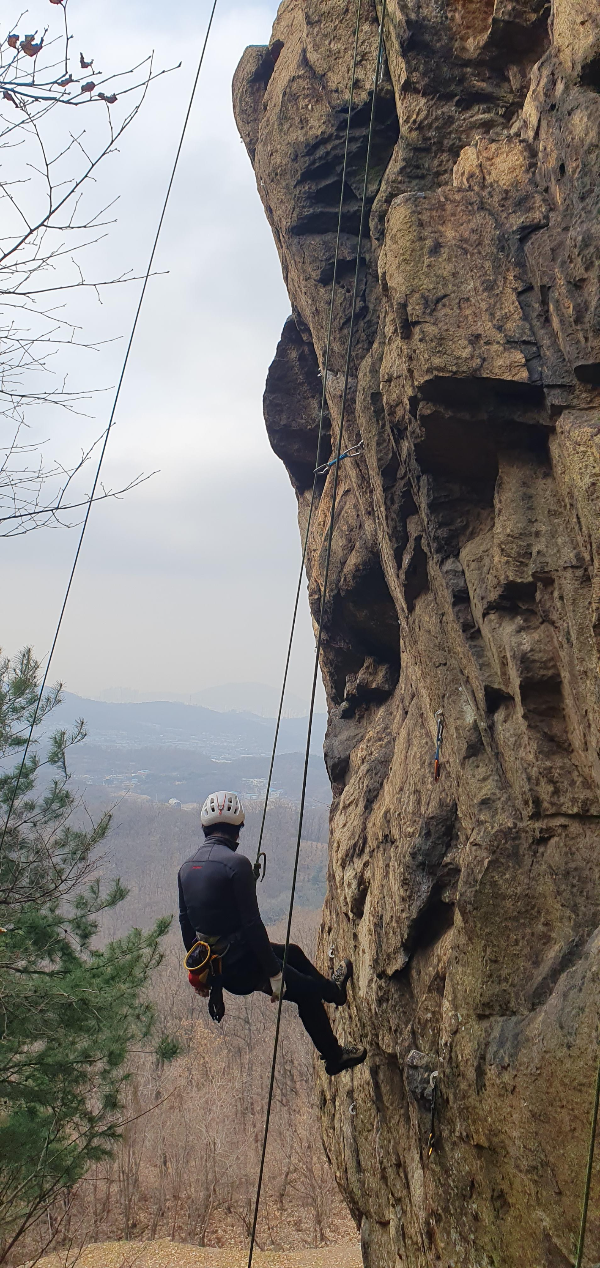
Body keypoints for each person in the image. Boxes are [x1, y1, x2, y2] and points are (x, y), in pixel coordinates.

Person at [178, 790, 367, 1077]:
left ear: (205, 828)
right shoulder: (236, 865)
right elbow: (253, 925)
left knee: (293, 953)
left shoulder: (186, 869)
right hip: (245, 965)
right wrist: (274, 974)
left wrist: (204, 978)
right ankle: (334, 1055)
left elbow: (187, 928)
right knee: (305, 992)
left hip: (225, 968)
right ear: (238, 829)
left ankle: (335, 993)